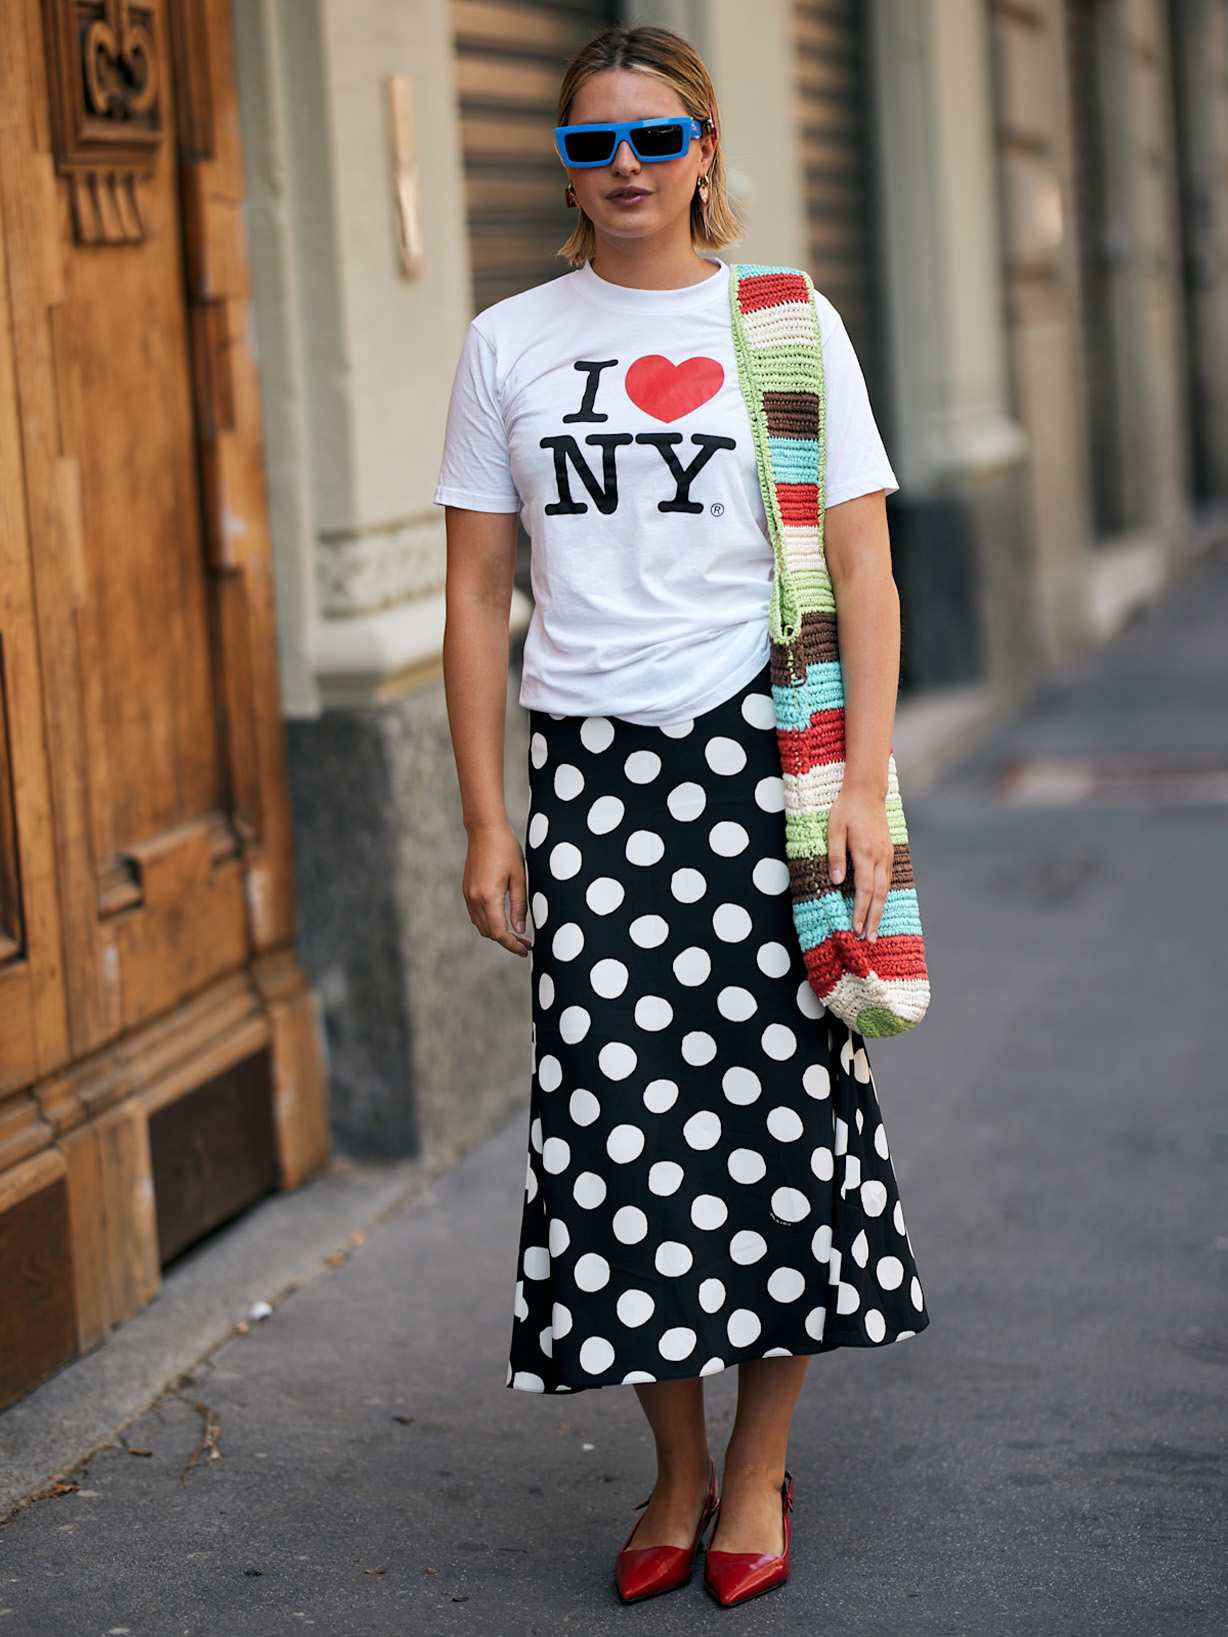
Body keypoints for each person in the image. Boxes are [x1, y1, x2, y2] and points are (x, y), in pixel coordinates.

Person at [432, 21, 930, 1611]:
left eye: (654, 139)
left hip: (763, 773)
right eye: (593, 144)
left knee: (782, 1119)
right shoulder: (509, 341)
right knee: (619, 1133)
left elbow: (864, 564)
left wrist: (861, 785)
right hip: (592, 780)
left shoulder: (782, 324)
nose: (625, 168)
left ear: (706, 149)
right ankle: (676, 1465)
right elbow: (472, 593)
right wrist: (486, 817)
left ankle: (762, 1465)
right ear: (563, 164)